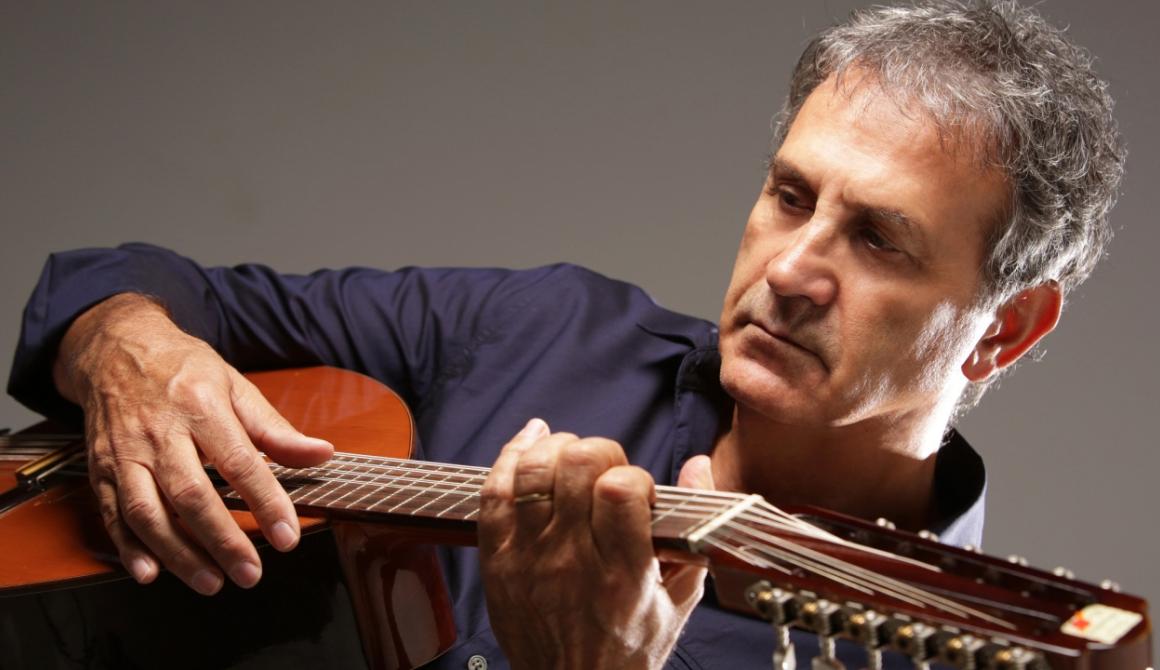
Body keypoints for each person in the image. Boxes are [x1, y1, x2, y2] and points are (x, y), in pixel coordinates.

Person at [6, 1, 1123, 668]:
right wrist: (128, 350)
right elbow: (121, 286)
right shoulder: (541, 327)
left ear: (1002, 331)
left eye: (877, 238)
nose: (789, 269)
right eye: (790, 196)